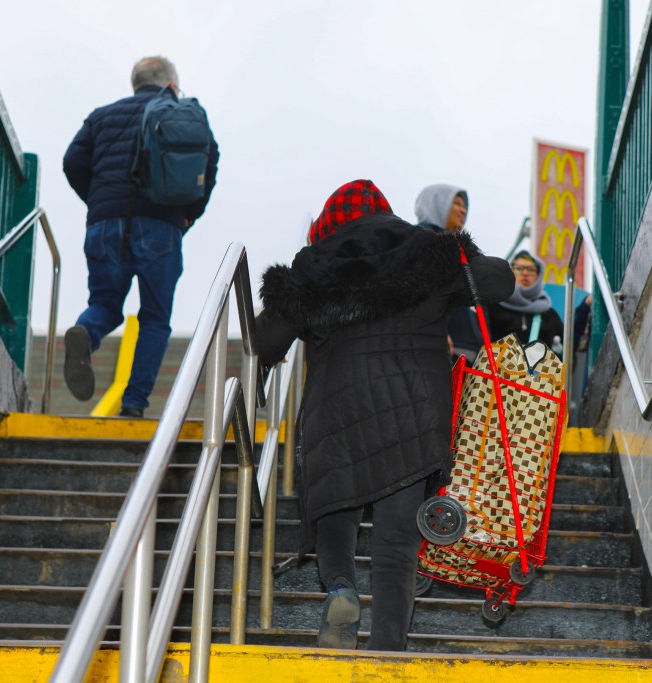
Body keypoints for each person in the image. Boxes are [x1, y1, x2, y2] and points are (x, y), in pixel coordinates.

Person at [255, 180, 514, 651]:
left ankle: (341, 588)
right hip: (414, 414)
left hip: (336, 414)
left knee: (335, 507)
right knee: (397, 541)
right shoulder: (427, 254)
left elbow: (266, 339)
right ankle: (387, 646)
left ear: (328, 222)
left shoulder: (312, 268)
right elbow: (500, 280)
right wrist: (461, 260)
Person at [61, 56, 219, 418]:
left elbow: (72, 162)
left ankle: (86, 333)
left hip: (103, 227)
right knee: (154, 319)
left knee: (104, 302)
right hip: (161, 228)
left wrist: (100, 202)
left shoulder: (101, 116)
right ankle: (133, 405)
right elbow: (209, 163)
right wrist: (186, 215)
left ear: (136, 83)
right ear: (171, 84)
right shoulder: (183, 114)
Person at [414, 183, 482, 362]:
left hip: (463, 352)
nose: (463, 210)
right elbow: (421, 294)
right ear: (436, 203)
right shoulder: (422, 241)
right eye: (456, 203)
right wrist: (438, 333)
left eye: (464, 206)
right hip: (441, 349)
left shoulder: (455, 244)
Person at [487, 249, 564, 350]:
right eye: (519, 269)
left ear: (538, 276)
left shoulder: (549, 314)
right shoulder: (492, 306)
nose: (525, 273)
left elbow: (569, 350)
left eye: (531, 269)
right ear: (510, 273)